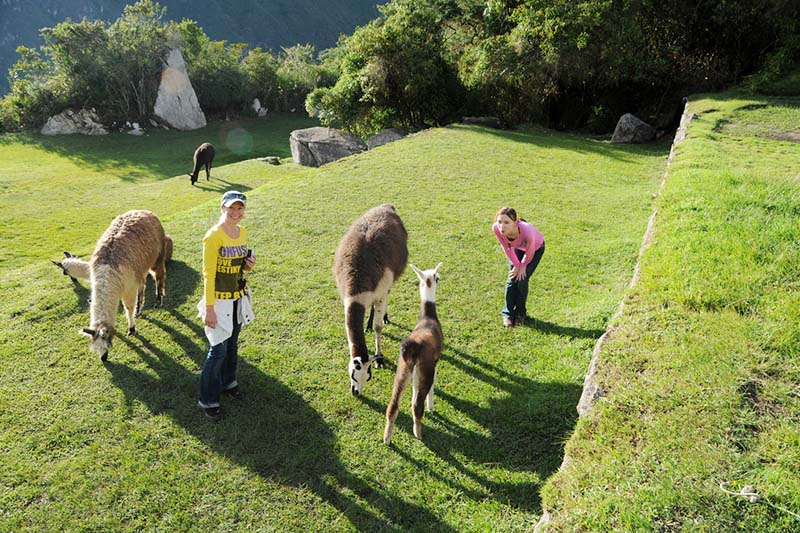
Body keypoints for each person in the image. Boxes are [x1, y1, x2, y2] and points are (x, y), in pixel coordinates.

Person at [197, 190, 256, 420]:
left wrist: (247, 266)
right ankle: (207, 399)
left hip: (238, 297)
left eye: (240, 208)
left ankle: (228, 382)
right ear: (222, 208)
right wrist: (209, 309)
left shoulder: (242, 232)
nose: (235, 212)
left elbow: (238, 266)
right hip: (219, 301)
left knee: (232, 344)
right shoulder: (213, 237)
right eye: (231, 208)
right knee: (217, 349)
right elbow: (208, 275)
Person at [492, 207, 545, 327]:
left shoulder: (527, 230)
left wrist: (523, 266)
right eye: (499, 222)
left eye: (506, 222)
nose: (502, 226)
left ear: (515, 223)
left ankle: (520, 314)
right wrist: (516, 264)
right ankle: (507, 314)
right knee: (512, 279)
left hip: (535, 249)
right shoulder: (496, 228)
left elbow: (530, 251)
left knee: (522, 279)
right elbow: (506, 247)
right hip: (517, 249)